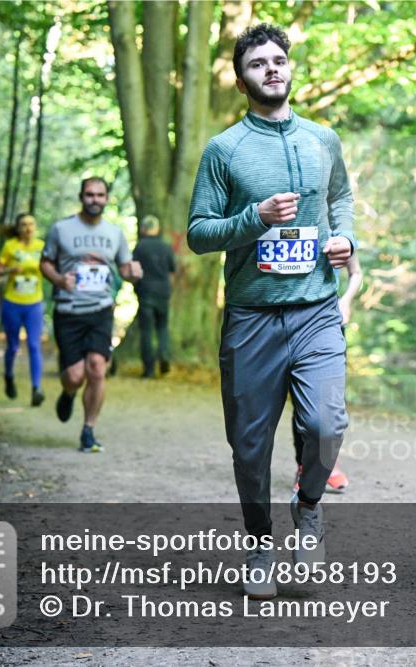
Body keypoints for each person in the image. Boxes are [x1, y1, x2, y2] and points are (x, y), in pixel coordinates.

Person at [188, 23, 356, 600]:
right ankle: (260, 543)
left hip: (315, 309)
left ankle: (307, 507)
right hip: (251, 317)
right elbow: (199, 233)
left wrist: (346, 241)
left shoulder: (321, 139)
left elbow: (339, 198)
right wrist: (253, 218)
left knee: (326, 424)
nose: (272, 69)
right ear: (242, 80)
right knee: (251, 443)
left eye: (279, 60)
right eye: (258, 63)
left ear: (291, 67)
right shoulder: (224, 150)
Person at [40, 177, 143, 452]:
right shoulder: (61, 229)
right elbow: (45, 263)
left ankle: (88, 430)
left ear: (107, 198)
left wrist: (133, 273)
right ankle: (68, 392)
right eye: (89, 195)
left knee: (97, 368)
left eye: (99, 195)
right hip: (68, 310)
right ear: (81, 197)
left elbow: (123, 268)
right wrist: (60, 280)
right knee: (75, 376)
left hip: (100, 309)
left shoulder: (115, 233)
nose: (94, 200)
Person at [292, 254, 362, 492]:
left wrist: (346, 300)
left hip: (329, 324)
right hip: (288, 320)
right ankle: (305, 465)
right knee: (300, 401)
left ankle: (325, 464)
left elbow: (357, 273)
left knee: (328, 399)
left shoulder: (340, 231)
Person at [0, 213, 46, 407]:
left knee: (34, 345)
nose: (27, 228)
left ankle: (36, 389)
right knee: (13, 347)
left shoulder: (42, 247)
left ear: (35, 227)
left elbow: (52, 267)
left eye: (31, 224)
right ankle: (9, 376)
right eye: (24, 224)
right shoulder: (10, 246)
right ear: (18, 228)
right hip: (12, 302)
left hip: (34, 302)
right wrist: (10, 270)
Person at [131, 215, 177, 378]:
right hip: (163, 292)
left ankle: (149, 369)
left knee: (146, 331)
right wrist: (168, 289)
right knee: (163, 327)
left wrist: (136, 287)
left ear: (143, 228)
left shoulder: (140, 247)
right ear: (157, 229)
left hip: (146, 292)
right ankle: (164, 355)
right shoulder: (166, 247)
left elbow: (134, 271)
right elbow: (172, 272)